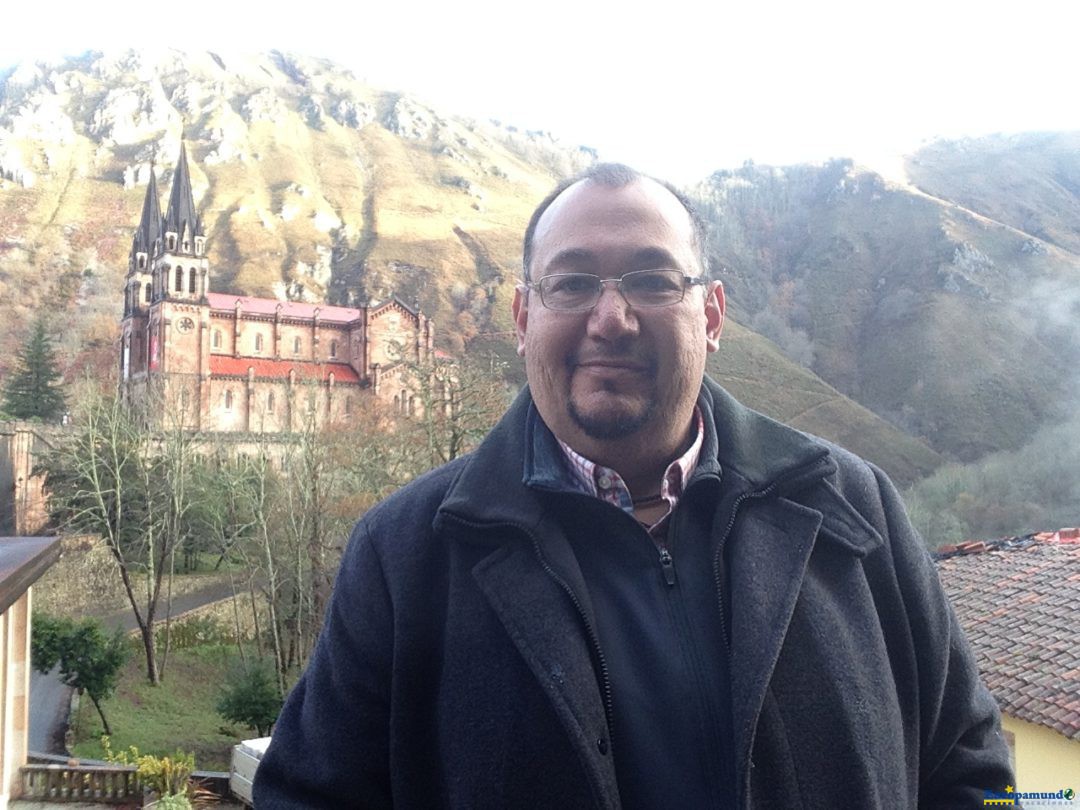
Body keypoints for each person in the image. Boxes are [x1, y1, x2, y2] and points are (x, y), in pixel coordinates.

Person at [253, 164, 1014, 808]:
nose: (611, 319)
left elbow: (977, 765)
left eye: (651, 280)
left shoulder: (854, 508)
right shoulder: (405, 553)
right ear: (523, 317)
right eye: (573, 283)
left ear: (711, 315)